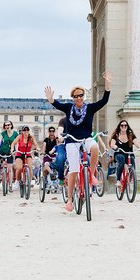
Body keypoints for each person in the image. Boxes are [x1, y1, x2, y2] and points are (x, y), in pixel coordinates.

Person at [45, 70, 112, 212]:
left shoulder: (90, 108)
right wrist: (51, 99)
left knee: (95, 149)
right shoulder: (69, 108)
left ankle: (92, 175)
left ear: (84, 96)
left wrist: (108, 84)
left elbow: (104, 101)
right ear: (73, 98)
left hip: (86, 138)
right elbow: (57, 105)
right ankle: (69, 200)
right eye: (76, 96)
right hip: (71, 141)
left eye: (81, 95)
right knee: (74, 170)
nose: (79, 98)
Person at [10, 126, 40, 190]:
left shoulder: (31, 137)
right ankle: (17, 181)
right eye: (24, 130)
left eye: (27, 130)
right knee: (19, 168)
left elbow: (36, 144)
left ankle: (30, 181)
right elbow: (13, 143)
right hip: (20, 154)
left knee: (30, 166)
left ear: (29, 131)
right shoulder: (20, 137)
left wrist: (37, 148)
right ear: (22, 131)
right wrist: (12, 149)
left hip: (28, 154)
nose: (26, 131)